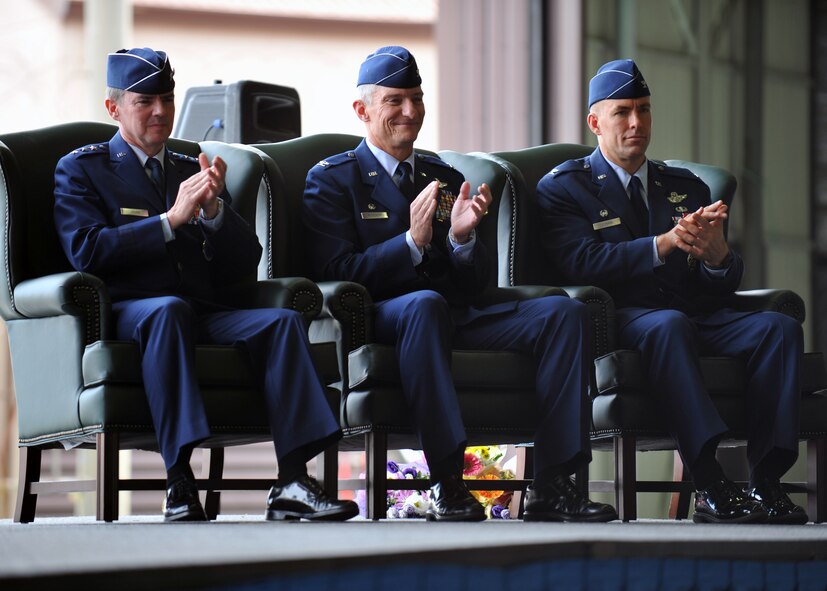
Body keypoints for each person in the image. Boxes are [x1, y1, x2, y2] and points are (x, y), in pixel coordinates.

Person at [302, 45, 617, 522]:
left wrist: (463, 239)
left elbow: (476, 288)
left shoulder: (445, 178)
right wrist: (409, 242)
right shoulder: (332, 179)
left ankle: (554, 483)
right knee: (424, 303)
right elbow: (337, 272)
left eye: (417, 98)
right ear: (362, 110)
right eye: (395, 101)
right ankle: (448, 481)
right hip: (382, 320)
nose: (410, 112)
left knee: (563, 312)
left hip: (454, 315)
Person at [53, 47, 358, 523]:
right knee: (167, 309)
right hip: (134, 312)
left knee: (280, 322)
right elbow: (87, 251)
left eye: (167, 99)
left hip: (204, 309)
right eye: (144, 101)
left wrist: (215, 214)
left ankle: (293, 481)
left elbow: (246, 261)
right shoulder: (83, 168)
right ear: (113, 108)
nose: (160, 111)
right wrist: (169, 221)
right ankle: (179, 482)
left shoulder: (189, 165)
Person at [536, 59, 807, 524]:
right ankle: (709, 482)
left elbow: (713, 285)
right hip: (621, 317)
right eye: (622, 112)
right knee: (668, 324)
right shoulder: (566, 187)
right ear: (594, 122)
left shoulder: (685, 186)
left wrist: (718, 258)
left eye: (643, 109)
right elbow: (579, 263)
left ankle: (766, 483)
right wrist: (661, 246)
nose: (636, 123)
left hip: (690, 314)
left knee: (778, 329)